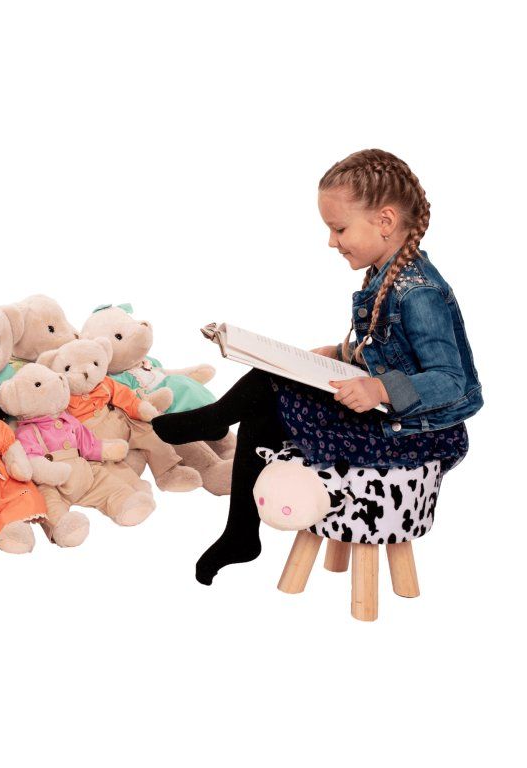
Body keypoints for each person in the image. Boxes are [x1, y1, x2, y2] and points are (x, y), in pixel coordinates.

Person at [152, 148, 483, 585]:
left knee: (270, 387)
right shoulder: (386, 274)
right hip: (390, 419)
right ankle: (240, 532)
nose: (332, 241)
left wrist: (381, 389)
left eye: (339, 228)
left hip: (415, 435)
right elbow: (392, 351)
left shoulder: (418, 292)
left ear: (385, 221)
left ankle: (216, 426)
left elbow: (452, 381)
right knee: (269, 397)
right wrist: (340, 355)